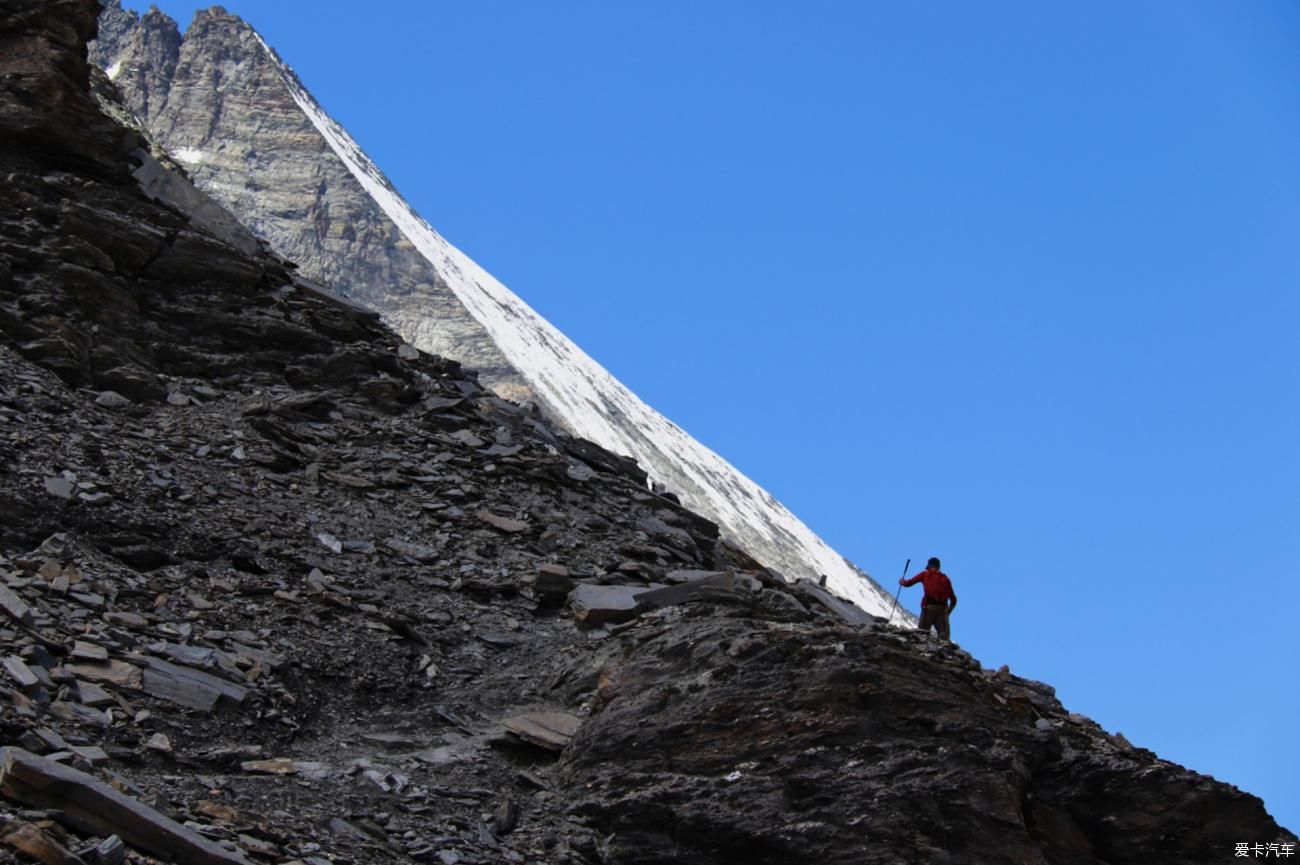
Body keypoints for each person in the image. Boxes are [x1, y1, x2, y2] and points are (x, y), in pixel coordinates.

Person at [899, 557, 957, 641]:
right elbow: (954, 600)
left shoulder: (925, 574)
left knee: (922, 634)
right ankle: (941, 652)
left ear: (930, 566)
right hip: (942, 610)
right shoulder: (946, 579)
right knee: (944, 638)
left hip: (928, 608)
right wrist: (947, 613)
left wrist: (902, 582)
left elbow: (909, 583)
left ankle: (922, 651)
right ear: (938, 567)